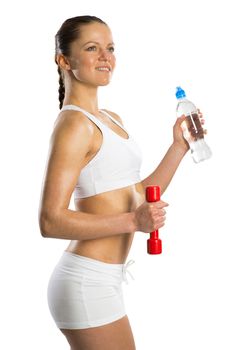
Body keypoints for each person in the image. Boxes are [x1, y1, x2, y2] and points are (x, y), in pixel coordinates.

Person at [38, 15, 203, 350]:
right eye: (92, 48)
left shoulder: (110, 120)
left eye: (110, 48)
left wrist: (178, 147)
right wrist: (132, 221)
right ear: (64, 60)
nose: (106, 57)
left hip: (106, 278)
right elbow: (50, 220)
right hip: (86, 280)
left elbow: (137, 194)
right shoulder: (74, 125)